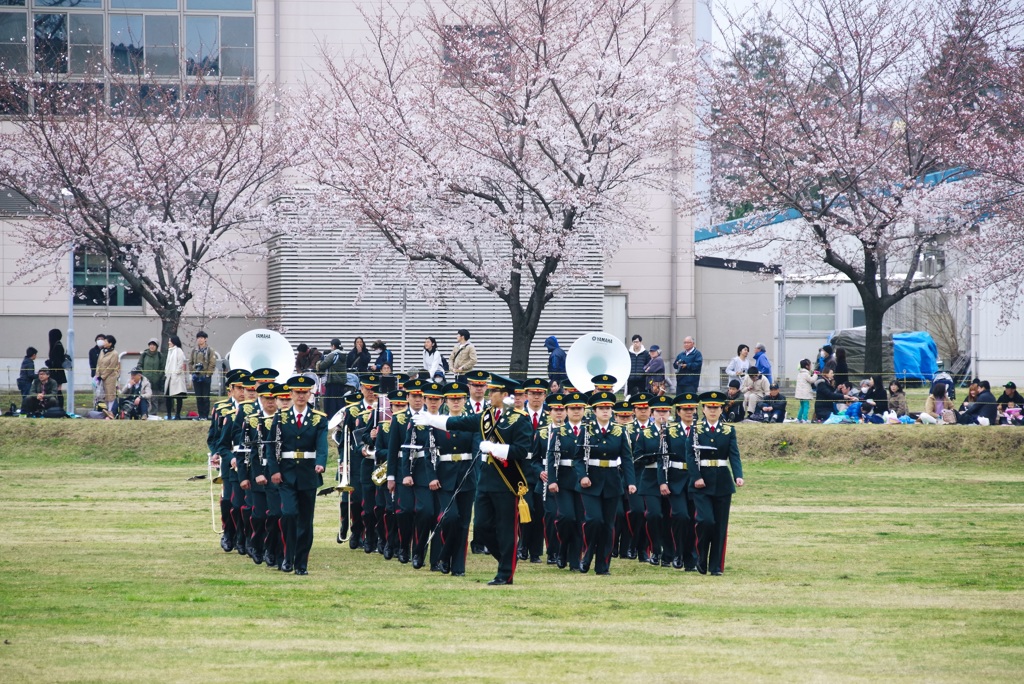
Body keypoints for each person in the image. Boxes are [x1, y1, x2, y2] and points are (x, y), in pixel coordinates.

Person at [415, 374, 532, 585]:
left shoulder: (519, 419)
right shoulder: (486, 416)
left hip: (507, 482)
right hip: (485, 481)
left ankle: (505, 574)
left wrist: (495, 448)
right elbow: (457, 422)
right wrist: (431, 419)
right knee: (482, 528)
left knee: (505, 530)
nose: (489, 394)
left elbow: (522, 450)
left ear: (505, 395)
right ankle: (507, 559)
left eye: (493, 391)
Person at [266, 376, 328, 575]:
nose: (301, 396)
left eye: (304, 392)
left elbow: (322, 444)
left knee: (305, 521)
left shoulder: (319, 418)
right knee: (289, 514)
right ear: (291, 394)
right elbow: (272, 446)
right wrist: (274, 470)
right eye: (297, 392)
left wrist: (320, 462)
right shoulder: (281, 417)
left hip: (308, 473)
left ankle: (301, 563)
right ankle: (287, 556)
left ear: (310, 394)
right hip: (286, 474)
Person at [575, 391, 637, 576]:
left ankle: (603, 565)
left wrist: (631, 482)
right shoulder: (586, 430)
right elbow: (578, 458)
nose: (605, 411)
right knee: (594, 520)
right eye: (601, 408)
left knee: (608, 525)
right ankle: (587, 554)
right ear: (594, 411)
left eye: (608, 408)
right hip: (590, 482)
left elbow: (627, 458)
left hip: (611, 481)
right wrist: (582, 476)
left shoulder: (620, 430)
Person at [687, 391, 744, 576]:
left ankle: (716, 566)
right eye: (709, 407)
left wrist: (738, 475)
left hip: (722, 481)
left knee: (720, 525)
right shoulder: (695, 430)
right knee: (705, 521)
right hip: (701, 481)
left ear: (721, 409)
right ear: (703, 409)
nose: (713, 410)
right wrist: (696, 477)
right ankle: (701, 557)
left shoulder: (728, 430)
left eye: (716, 407)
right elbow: (690, 456)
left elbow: (734, 454)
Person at [317, 338, 349, 420]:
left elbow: (322, 365)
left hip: (332, 381)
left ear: (333, 346)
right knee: (339, 400)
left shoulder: (333, 355)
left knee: (330, 401)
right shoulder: (344, 355)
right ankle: (341, 417)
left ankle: (330, 418)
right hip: (341, 382)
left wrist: (319, 363)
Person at [189, 331, 217, 420]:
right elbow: (190, 362)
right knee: (198, 397)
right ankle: (200, 415)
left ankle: (205, 415)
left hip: (206, 376)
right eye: (198, 338)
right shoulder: (194, 350)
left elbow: (212, 363)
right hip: (196, 377)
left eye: (202, 338)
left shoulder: (209, 350)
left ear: (205, 339)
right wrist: (193, 372)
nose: (200, 340)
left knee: (205, 397)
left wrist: (208, 374)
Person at [138, 338, 165, 418]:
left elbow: (162, 368)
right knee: (144, 396)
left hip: (156, 381)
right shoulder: (144, 355)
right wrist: (142, 374)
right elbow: (139, 365)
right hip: (145, 380)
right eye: (150, 345)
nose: (152, 346)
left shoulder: (160, 356)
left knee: (154, 398)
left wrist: (158, 376)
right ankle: (144, 413)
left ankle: (153, 414)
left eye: (154, 345)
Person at [164, 335, 188, 420]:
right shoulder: (170, 351)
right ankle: (169, 414)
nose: (169, 342)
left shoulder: (179, 351)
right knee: (168, 398)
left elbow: (180, 364)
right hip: (169, 377)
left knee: (178, 397)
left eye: (170, 341)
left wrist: (175, 373)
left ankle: (177, 415)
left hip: (177, 378)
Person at [95, 335, 121, 407]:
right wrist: (97, 374)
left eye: (106, 341)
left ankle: (111, 412)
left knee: (110, 395)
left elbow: (111, 367)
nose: (104, 342)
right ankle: (105, 411)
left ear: (110, 343)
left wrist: (103, 376)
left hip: (110, 377)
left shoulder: (114, 353)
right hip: (100, 376)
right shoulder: (102, 351)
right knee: (102, 396)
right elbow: (98, 363)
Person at [795, 359, 815, 423]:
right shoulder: (806, 374)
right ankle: (804, 419)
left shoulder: (800, 373)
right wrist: (815, 375)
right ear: (807, 366)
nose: (811, 366)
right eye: (810, 365)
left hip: (800, 394)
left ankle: (799, 418)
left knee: (802, 406)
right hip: (805, 394)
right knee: (806, 406)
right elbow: (811, 380)